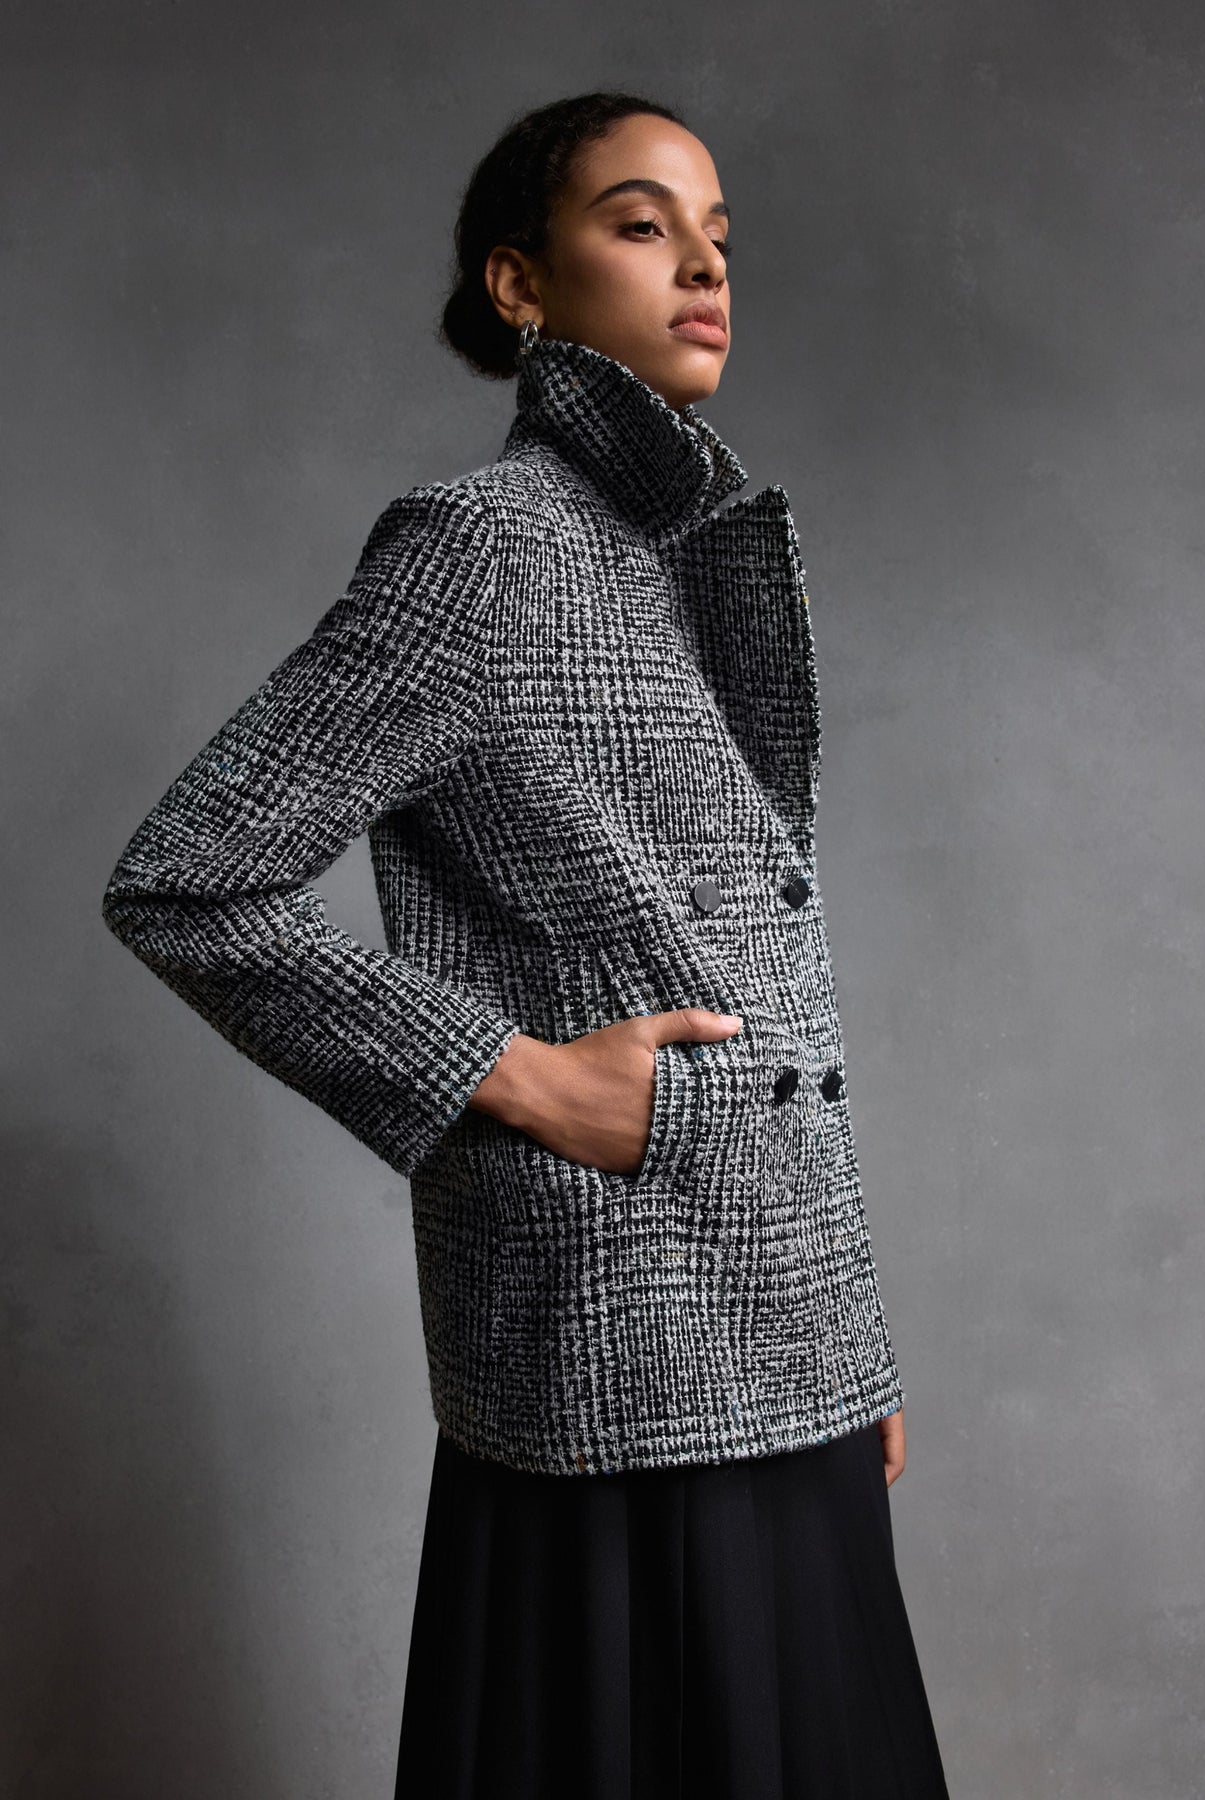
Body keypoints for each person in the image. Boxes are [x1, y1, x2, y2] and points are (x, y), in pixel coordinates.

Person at [102, 89, 950, 1799]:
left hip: (780, 1329)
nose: (703, 266)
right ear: (519, 283)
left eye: (718, 237)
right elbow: (189, 879)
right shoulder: (481, 550)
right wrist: (519, 1076)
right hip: (613, 1331)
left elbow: (768, 971)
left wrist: (848, 1336)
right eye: (642, 225)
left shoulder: (678, 555)